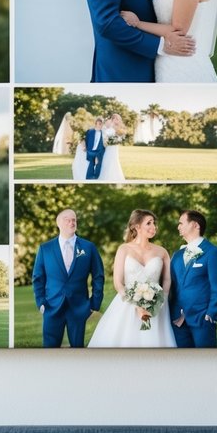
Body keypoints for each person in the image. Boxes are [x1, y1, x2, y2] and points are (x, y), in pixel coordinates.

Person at [88, 209, 176, 348]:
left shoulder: (161, 251)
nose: (154, 227)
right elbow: (118, 282)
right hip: (127, 304)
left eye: (154, 223)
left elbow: (166, 279)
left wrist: (161, 300)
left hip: (156, 305)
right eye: (149, 223)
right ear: (136, 226)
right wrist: (136, 304)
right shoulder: (124, 249)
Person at [32, 209, 105, 348]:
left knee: (77, 348)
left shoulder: (88, 247)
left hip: (79, 307)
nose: (72, 222)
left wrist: (94, 304)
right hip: (51, 307)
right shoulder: (45, 248)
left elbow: (98, 276)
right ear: (58, 223)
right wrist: (41, 303)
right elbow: (38, 278)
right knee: (49, 348)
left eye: (74, 220)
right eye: (68, 219)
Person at [168, 210, 217, 347]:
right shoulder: (177, 256)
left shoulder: (214, 253)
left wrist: (212, 314)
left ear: (195, 225)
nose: (178, 227)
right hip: (177, 319)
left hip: (202, 318)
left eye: (181, 223)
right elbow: (172, 285)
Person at [98, 114, 127, 181]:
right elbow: (104, 133)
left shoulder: (119, 128)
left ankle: (115, 177)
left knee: (114, 160)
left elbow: (121, 137)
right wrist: (107, 140)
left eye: (117, 119)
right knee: (107, 159)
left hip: (114, 147)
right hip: (109, 147)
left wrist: (117, 140)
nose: (116, 120)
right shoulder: (109, 125)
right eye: (114, 119)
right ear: (112, 119)